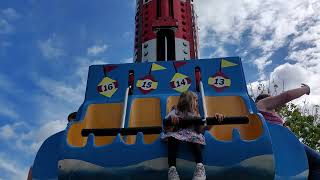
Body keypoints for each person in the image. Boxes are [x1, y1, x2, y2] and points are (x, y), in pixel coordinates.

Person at [255, 84, 320, 180]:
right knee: (317, 162)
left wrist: (287, 130)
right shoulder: (261, 104)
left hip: (281, 145)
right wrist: (306, 89)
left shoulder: (269, 114)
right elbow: (287, 95)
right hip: (280, 144)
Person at [162, 91, 223, 180]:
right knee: (172, 138)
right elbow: (166, 129)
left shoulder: (196, 115)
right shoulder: (175, 111)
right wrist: (171, 122)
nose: (197, 103)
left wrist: (214, 120)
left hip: (191, 135)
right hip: (177, 133)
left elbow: (202, 129)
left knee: (194, 138)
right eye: (196, 101)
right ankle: (172, 169)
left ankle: (200, 167)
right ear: (188, 102)